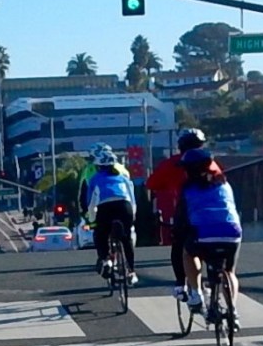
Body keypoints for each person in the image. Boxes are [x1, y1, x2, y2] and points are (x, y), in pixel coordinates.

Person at [174, 148, 242, 328]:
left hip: (203, 234)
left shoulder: (187, 189)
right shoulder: (225, 184)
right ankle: (233, 311)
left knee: (188, 254)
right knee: (229, 271)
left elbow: (181, 218)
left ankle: (196, 294)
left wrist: (177, 230)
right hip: (231, 232)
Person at [147, 128, 206, 299]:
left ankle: (181, 284)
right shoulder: (211, 162)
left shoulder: (172, 163)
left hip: (185, 212)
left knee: (180, 246)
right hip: (215, 214)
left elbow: (151, 184)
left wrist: (169, 185)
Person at [86, 150, 138, 285]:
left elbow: (91, 204)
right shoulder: (124, 178)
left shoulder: (94, 179)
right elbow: (132, 200)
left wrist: (92, 221)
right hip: (125, 207)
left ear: (98, 166)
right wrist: (133, 217)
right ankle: (131, 271)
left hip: (105, 208)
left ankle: (106, 259)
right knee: (126, 239)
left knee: (101, 234)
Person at [77, 142, 129, 223]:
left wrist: (85, 213)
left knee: (100, 232)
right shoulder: (121, 168)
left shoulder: (89, 170)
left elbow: (85, 194)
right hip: (124, 203)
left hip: (101, 204)